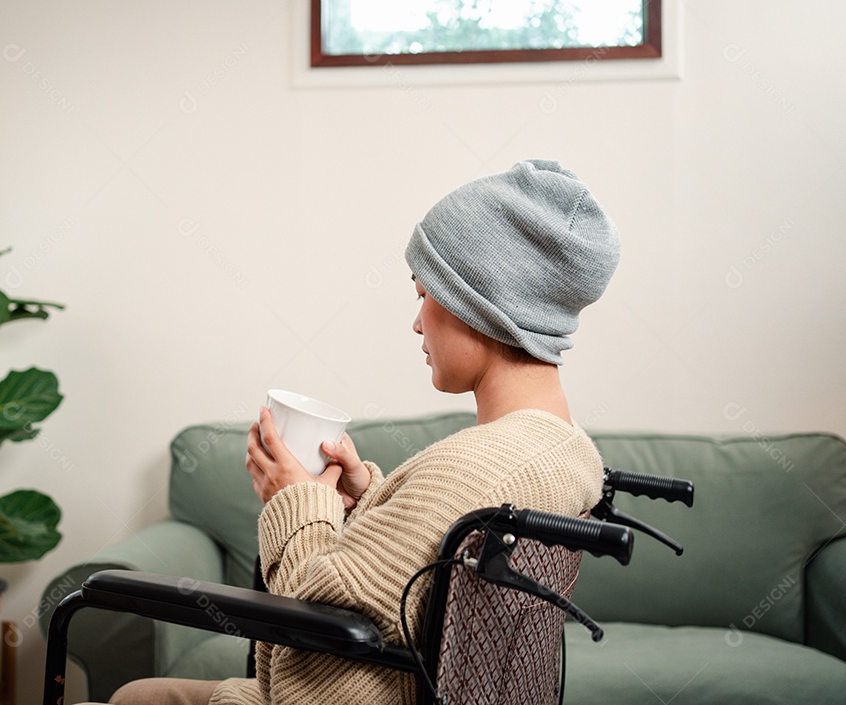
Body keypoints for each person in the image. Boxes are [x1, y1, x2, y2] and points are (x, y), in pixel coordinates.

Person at [104, 160, 621, 705]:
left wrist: (295, 501)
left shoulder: (477, 469)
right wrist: (365, 499)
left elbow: (317, 625)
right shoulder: (565, 448)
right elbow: (426, 572)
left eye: (424, 293)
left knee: (129, 693)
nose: (417, 322)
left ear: (478, 304)